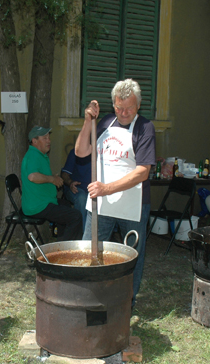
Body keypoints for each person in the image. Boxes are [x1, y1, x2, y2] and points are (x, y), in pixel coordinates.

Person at [75, 79, 156, 308]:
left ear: (138, 105)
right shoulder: (105, 123)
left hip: (133, 206)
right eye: (119, 107)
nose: (123, 113)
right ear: (114, 105)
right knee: (90, 251)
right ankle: (86, 299)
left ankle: (126, 303)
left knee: (131, 257)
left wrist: (107, 188)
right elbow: (81, 151)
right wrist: (87, 121)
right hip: (100, 205)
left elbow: (142, 172)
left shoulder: (144, 128)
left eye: (129, 108)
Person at [21, 126, 83, 241]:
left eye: (49, 138)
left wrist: (53, 178)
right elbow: (32, 176)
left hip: (43, 201)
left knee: (65, 205)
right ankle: (67, 251)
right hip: (38, 206)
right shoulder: (33, 156)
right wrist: (52, 179)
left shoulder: (39, 155)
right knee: (75, 216)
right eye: (45, 138)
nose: (49, 141)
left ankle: (61, 243)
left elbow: (38, 175)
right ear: (34, 141)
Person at [61, 149, 91, 229]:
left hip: (93, 190)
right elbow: (64, 174)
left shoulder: (102, 153)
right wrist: (71, 183)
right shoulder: (76, 152)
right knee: (82, 198)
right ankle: (83, 237)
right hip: (76, 189)